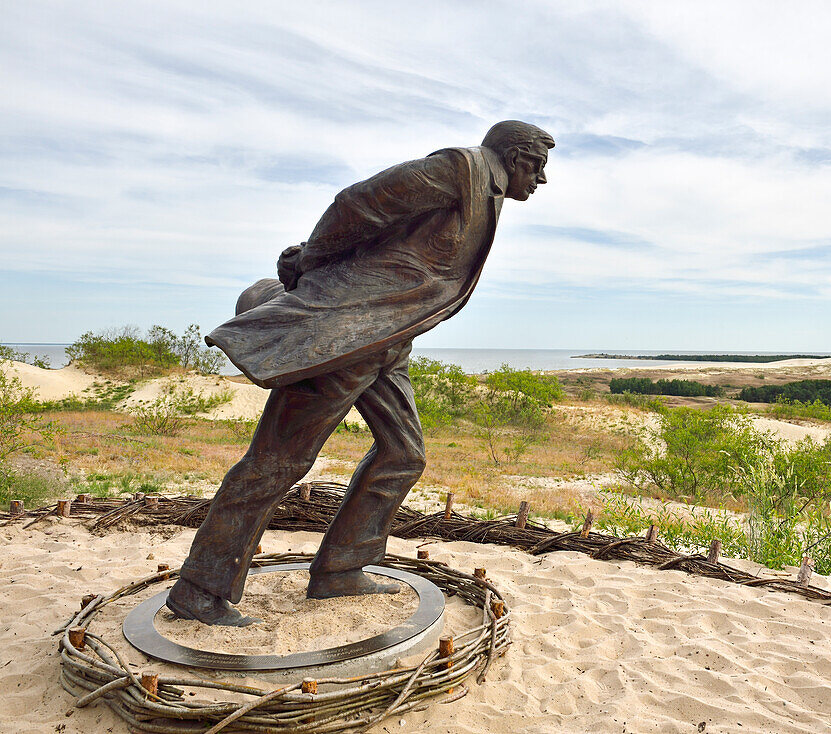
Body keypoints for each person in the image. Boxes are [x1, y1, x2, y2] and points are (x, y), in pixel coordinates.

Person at [166, 121, 553, 625]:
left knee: (403, 454)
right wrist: (311, 263)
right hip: (345, 336)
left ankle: (342, 569)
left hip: (388, 338)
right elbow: (358, 204)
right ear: (517, 155)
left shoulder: (490, 190)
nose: (542, 180)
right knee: (279, 461)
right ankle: (201, 587)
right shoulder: (460, 167)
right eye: (539, 167)